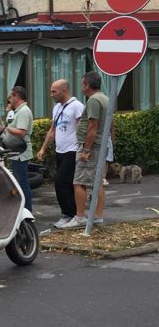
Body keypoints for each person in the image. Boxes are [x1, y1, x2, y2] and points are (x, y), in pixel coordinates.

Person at [59, 71, 109, 229]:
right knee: (97, 182)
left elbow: (92, 127)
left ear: (87, 85)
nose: (81, 87)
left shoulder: (94, 100)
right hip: (101, 144)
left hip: (91, 146)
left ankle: (79, 217)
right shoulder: (105, 98)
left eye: (82, 84)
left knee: (78, 182)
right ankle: (98, 217)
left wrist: (86, 149)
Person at [36, 79, 84, 228]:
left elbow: (84, 128)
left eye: (54, 91)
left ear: (64, 90)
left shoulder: (77, 106)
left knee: (61, 181)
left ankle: (70, 215)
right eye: (51, 91)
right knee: (67, 184)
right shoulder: (57, 108)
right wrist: (43, 148)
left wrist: (85, 149)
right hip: (60, 151)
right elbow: (52, 130)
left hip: (73, 150)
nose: (51, 94)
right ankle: (70, 214)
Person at [4, 86, 34, 210]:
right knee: (18, 183)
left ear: (17, 96)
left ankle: (27, 211)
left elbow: (21, 132)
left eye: (11, 96)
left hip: (21, 153)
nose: (10, 99)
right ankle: (22, 209)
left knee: (22, 184)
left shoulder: (24, 111)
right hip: (16, 152)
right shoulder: (18, 111)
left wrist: (7, 127)